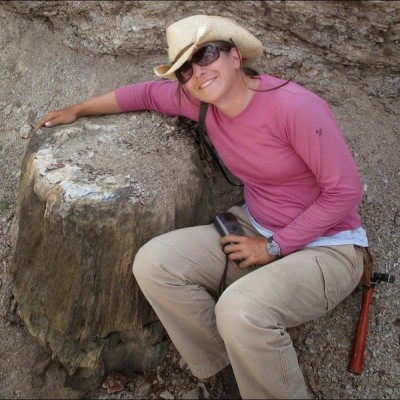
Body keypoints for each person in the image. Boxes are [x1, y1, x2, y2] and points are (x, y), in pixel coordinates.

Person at [34, 14, 368, 399]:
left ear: (235, 56)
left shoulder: (295, 108)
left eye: (206, 55)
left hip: (328, 247)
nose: (198, 73)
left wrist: (274, 246)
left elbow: (345, 192)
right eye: (185, 70)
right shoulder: (202, 103)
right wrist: (78, 109)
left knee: (238, 310)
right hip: (255, 226)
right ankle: (232, 363)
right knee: (154, 263)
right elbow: (141, 94)